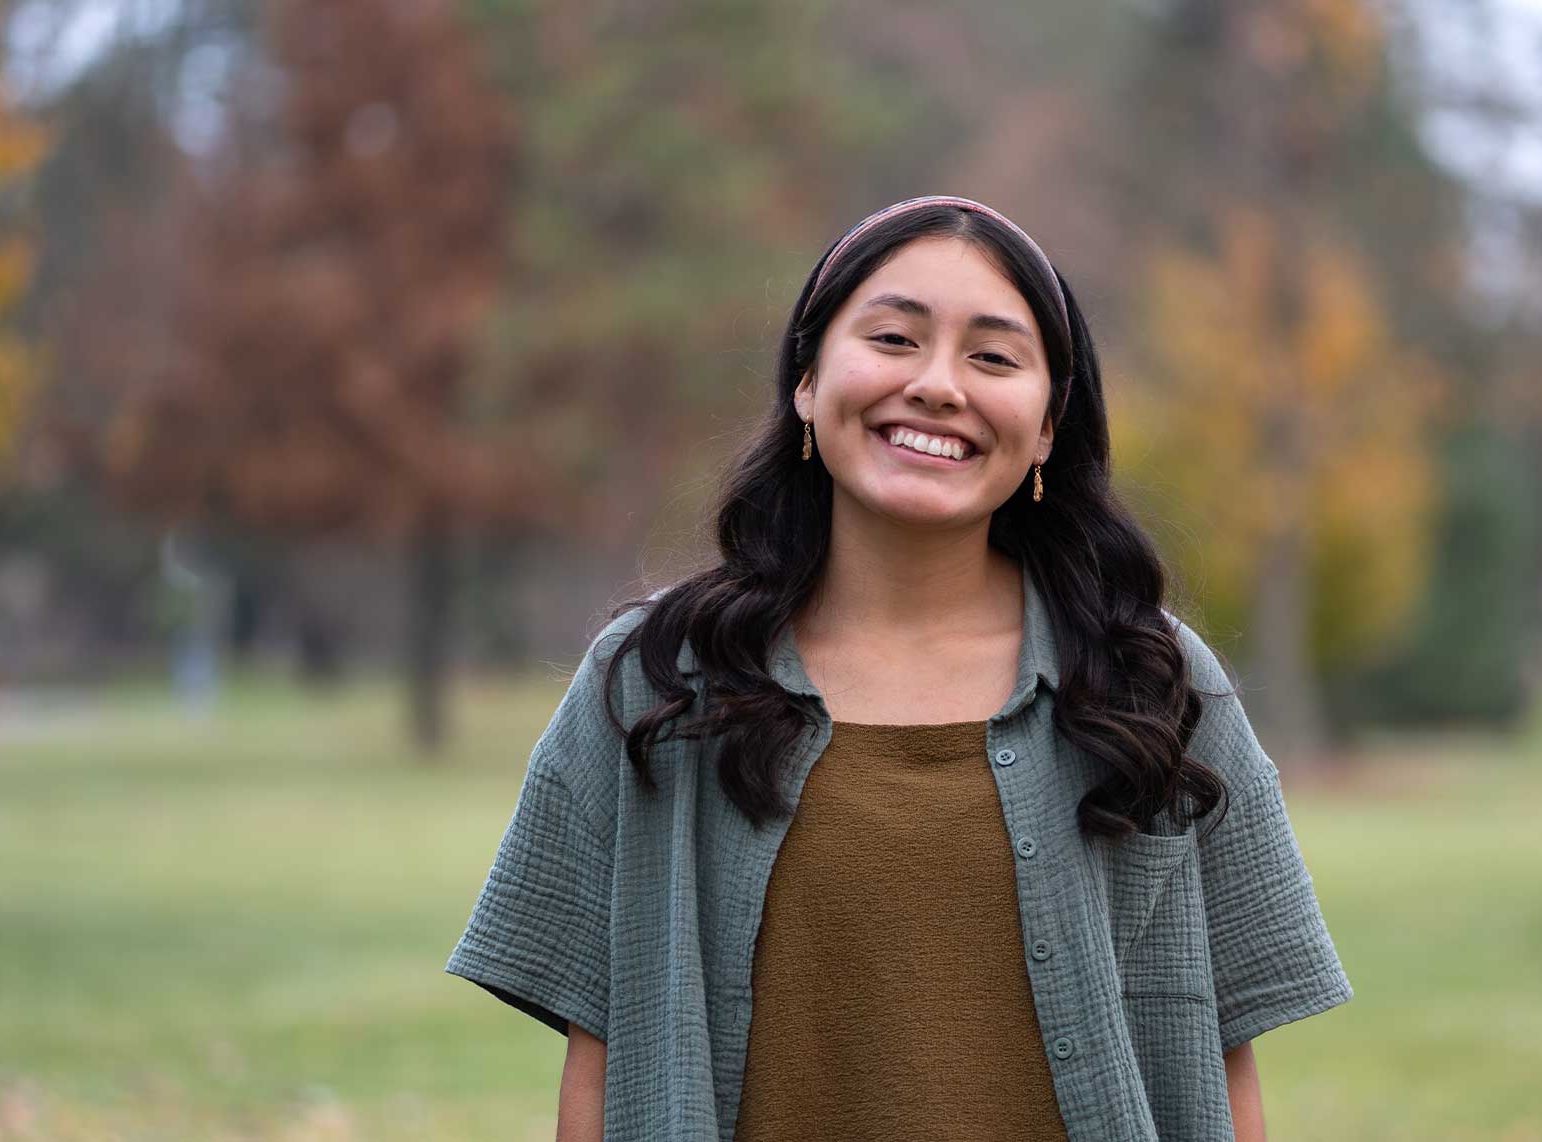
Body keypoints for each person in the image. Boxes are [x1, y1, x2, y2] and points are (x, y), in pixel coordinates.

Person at [445, 194, 1353, 1142]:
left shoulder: (1151, 681)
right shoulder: (660, 679)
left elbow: (1221, 1061)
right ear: (806, 381)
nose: (938, 385)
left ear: (1048, 426)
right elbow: (600, 1060)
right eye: (893, 339)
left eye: (993, 357)